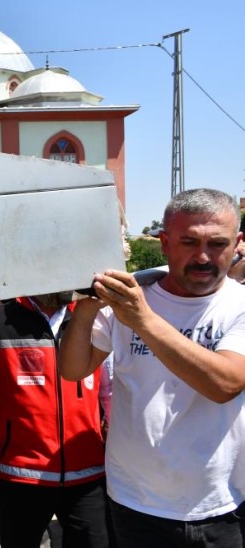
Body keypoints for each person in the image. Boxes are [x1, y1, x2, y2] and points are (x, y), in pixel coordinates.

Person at [59, 188, 245, 546]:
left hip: (220, 503)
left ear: (237, 242)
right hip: (134, 501)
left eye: (217, 244)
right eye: (189, 242)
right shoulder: (131, 296)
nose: (203, 257)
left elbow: (224, 384)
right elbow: (73, 370)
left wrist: (143, 319)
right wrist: (83, 314)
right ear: (164, 242)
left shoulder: (238, 304)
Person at [0, 294, 109, 548]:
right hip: (21, 474)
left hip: (86, 472)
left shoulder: (93, 315)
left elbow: (108, 389)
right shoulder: (1, 317)